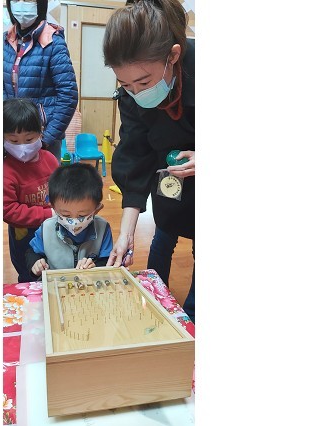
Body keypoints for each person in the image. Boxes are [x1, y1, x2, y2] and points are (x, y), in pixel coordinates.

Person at [103, 0, 195, 322]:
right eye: (125, 84)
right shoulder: (132, 96)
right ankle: (157, 304)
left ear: (173, 56)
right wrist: (126, 233)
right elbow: (135, 155)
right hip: (169, 183)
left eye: (144, 82)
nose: (136, 92)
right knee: (165, 230)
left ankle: (192, 321)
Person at [3, 0, 78, 162]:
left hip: (43, 136)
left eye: (28, 0)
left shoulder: (53, 41)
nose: (21, 4)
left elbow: (68, 94)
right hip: (11, 138)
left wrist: (46, 138)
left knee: (45, 177)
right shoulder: (6, 41)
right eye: (16, 0)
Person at [3, 98, 59, 283]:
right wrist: (48, 214)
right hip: (24, 236)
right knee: (29, 274)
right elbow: (8, 210)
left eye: (29, 139)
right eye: (13, 140)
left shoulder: (49, 159)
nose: (22, 147)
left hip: (52, 229)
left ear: (40, 132)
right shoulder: (5, 170)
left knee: (52, 268)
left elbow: (61, 189)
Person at [26, 163, 113, 278]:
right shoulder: (47, 228)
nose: (74, 222)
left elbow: (107, 260)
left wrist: (95, 267)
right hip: (55, 283)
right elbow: (32, 252)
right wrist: (35, 264)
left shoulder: (103, 228)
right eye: (65, 214)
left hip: (88, 283)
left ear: (97, 209)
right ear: (53, 207)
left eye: (82, 215)